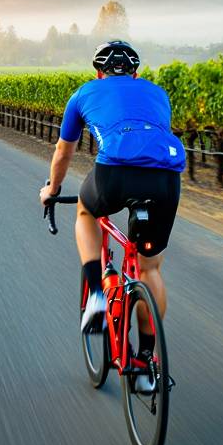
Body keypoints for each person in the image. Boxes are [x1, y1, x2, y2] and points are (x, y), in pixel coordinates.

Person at [38, 41, 184, 393]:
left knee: (86, 211)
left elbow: (63, 153)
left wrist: (53, 190)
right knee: (149, 266)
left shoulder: (83, 93)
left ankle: (96, 299)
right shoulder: (157, 93)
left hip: (115, 173)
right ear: (136, 72)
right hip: (166, 179)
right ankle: (147, 364)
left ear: (98, 72)